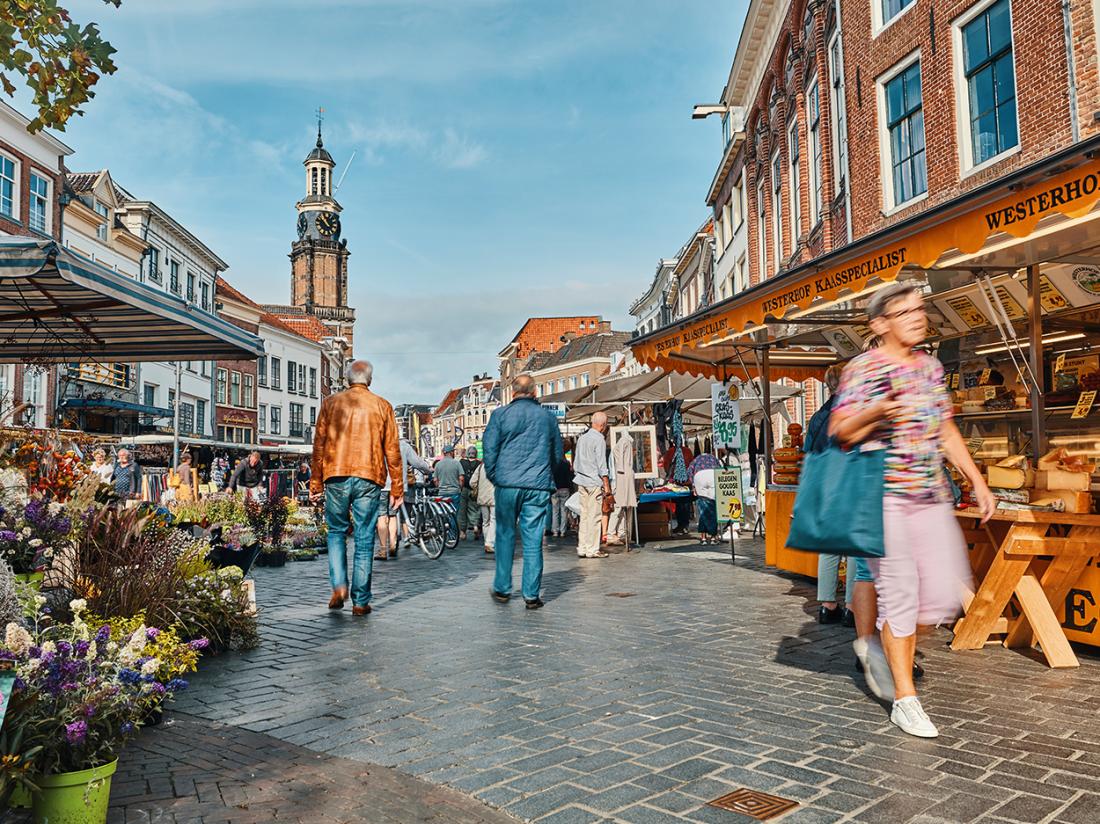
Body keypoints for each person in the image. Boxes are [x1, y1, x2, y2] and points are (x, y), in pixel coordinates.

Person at [829, 282, 995, 738]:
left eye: (919, 309)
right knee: (900, 594)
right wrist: (878, 409)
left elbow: (944, 428)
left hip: (930, 498)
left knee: (941, 598)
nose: (917, 317)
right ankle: (905, 700)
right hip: (883, 500)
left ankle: (885, 643)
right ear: (880, 324)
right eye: (904, 312)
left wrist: (976, 480)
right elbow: (842, 430)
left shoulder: (930, 367)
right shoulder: (863, 368)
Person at [310, 360, 402, 617]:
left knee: (336, 532)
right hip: (368, 475)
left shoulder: (330, 403)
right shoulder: (382, 406)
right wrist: (397, 486)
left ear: (348, 378)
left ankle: (339, 586)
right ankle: (360, 601)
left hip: (335, 474)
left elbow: (319, 445)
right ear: (369, 380)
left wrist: (315, 481)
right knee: (363, 537)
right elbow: (392, 450)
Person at [483, 374, 563, 609]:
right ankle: (531, 595)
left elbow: (489, 450)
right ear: (535, 392)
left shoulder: (500, 415)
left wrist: (495, 476)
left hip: (507, 484)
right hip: (537, 485)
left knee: (505, 534)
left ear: (513, 392)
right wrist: (545, 472)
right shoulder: (548, 418)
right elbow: (557, 454)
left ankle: (502, 587)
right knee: (533, 540)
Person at [807, 365, 855, 626]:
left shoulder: (817, 416)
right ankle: (851, 607)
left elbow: (809, 454)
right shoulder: (853, 411)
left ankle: (827, 606)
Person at [377, 435, 433, 560]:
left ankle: (382, 550)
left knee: (381, 516)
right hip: (397, 485)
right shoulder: (404, 445)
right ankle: (392, 544)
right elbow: (417, 462)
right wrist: (428, 470)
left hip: (380, 485)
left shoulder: (378, 443)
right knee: (392, 515)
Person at [573, 412, 611, 559]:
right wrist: (606, 484)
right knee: (594, 517)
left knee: (584, 515)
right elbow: (602, 465)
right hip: (594, 482)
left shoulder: (582, 439)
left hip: (581, 481)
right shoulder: (599, 440)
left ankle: (582, 547)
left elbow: (575, 464)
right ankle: (592, 549)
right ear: (602, 425)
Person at [469, 459, 496, 555]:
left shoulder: (480, 467)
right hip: (494, 497)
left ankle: (487, 542)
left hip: (482, 497)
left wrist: (479, 487)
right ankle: (490, 543)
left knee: (485, 521)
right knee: (494, 520)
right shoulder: (497, 466)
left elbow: (472, 482)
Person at [459, 446, 482, 541]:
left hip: (464, 488)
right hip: (475, 489)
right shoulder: (479, 464)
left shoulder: (462, 462)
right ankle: (476, 526)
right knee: (475, 509)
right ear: (475, 453)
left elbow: (460, 476)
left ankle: (462, 532)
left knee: (462, 510)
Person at [550, 446, 574, 538]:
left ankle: (555, 531)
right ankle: (563, 531)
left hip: (555, 489)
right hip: (565, 488)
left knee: (555, 511)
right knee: (564, 511)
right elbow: (570, 477)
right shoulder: (567, 464)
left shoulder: (553, 464)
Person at [434, 445, 464, 517]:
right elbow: (461, 478)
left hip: (442, 493)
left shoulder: (438, 464)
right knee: (454, 514)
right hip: (454, 492)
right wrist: (460, 487)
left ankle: (444, 527)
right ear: (451, 452)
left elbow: (435, 480)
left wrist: (439, 486)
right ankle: (452, 528)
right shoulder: (457, 463)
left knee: (444, 513)